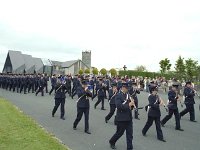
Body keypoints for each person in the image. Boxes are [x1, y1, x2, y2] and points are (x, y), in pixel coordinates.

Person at [109, 83, 135, 150]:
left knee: (130, 134)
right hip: (121, 118)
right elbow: (119, 106)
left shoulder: (128, 95)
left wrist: (132, 105)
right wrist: (129, 104)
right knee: (119, 133)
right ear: (123, 88)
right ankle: (112, 141)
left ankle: (129, 148)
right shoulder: (118, 95)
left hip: (129, 117)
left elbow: (130, 106)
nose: (128, 89)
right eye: (127, 88)